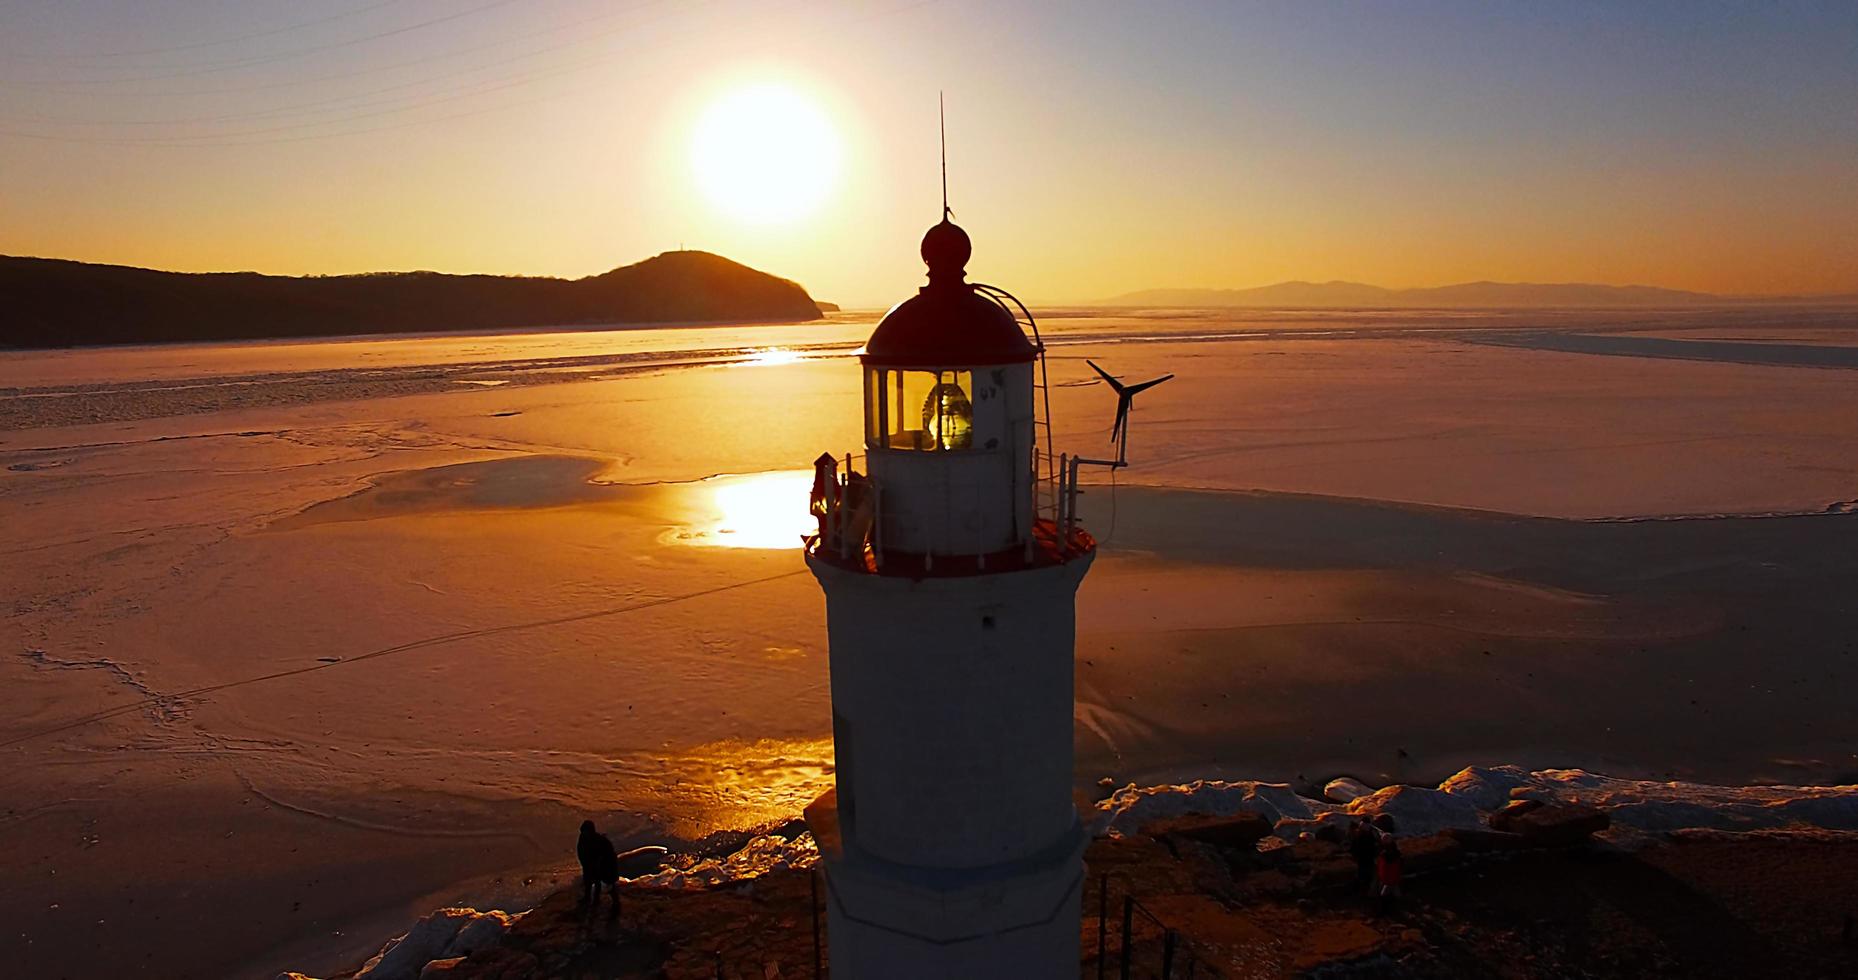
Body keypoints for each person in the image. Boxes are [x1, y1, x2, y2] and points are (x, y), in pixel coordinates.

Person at [577, 819, 621, 916]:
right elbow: (580, 851)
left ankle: (613, 902)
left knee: (604, 883)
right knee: (588, 882)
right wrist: (585, 863)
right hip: (589, 865)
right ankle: (588, 898)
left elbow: (608, 854)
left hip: (600, 865)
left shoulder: (600, 840)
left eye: (586, 831)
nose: (585, 833)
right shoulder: (583, 839)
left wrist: (600, 863)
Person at [1347, 818, 1380, 896]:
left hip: (1368, 858)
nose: (1365, 827)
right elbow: (1354, 846)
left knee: (1367, 876)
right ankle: (1358, 892)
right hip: (1362, 859)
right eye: (1364, 825)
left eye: (1366, 825)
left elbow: (1375, 845)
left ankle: (1364, 892)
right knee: (1361, 875)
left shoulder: (1371, 834)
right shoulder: (1359, 835)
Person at [1376, 835, 1404, 914]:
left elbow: (1383, 868)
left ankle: (1385, 910)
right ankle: (1399, 905)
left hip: (1388, 878)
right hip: (1394, 877)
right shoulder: (1397, 853)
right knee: (1396, 890)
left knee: (1384, 894)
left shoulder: (1384, 855)